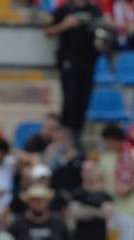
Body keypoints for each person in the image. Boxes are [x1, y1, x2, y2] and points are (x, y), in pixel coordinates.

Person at [46, 0, 104, 137]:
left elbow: (103, 29)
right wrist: (66, 25)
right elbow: (48, 31)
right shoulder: (64, 9)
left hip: (89, 61)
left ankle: (77, 136)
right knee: (70, 101)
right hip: (70, 61)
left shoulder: (94, 10)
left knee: (83, 101)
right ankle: (67, 136)